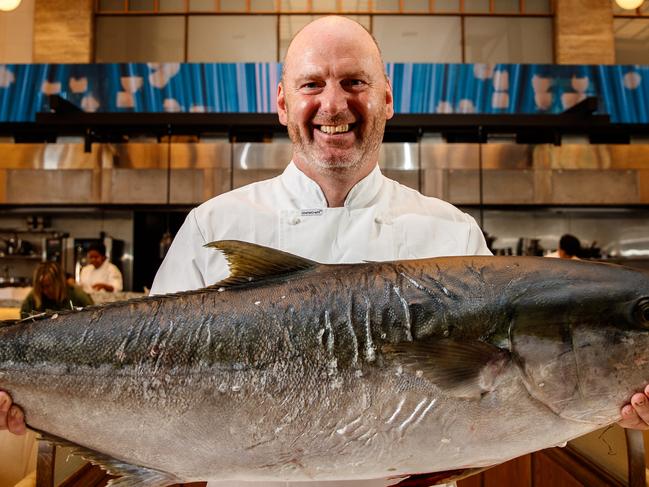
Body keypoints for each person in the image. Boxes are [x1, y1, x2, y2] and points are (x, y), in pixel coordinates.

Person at [1, 13, 649, 482]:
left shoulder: (451, 234)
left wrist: (620, 397)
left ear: (387, 98)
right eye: (312, 84)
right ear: (281, 101)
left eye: (354, 83)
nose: (333, 103)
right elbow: (143, 376)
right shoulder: (211, 222)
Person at [20, 261, 93, 319]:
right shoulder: (35, 295)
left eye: (48, 286)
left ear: (59, 282)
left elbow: (94, 318)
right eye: (42, 287)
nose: (45, 291)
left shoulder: (77, 295)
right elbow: (23, 320)